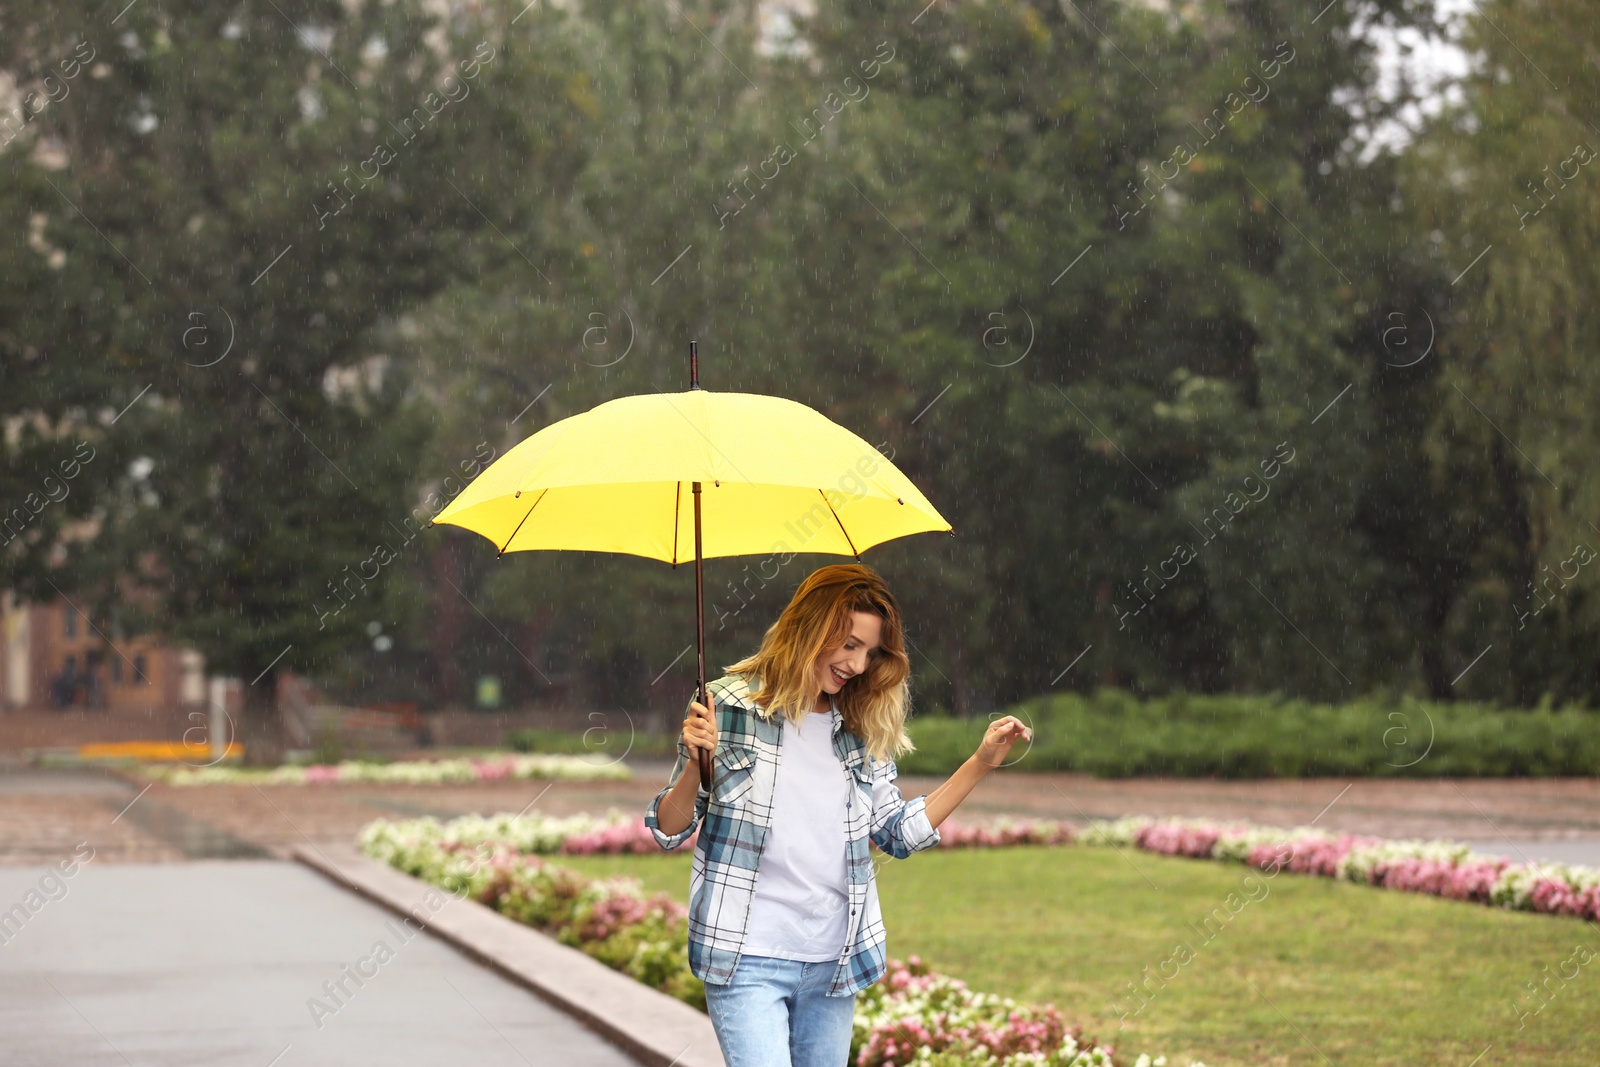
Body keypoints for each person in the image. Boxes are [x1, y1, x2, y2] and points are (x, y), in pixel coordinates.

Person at [645, 563, 1031, 1067]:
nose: (857, 663)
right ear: (811, 627)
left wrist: (979, 764)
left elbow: (898, 833)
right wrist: (698, 762)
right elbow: (670, 828)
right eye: (848, 644)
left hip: (834, 963)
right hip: (746, 958)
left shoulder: (860, 724)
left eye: (869, 652)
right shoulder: (726, 706)